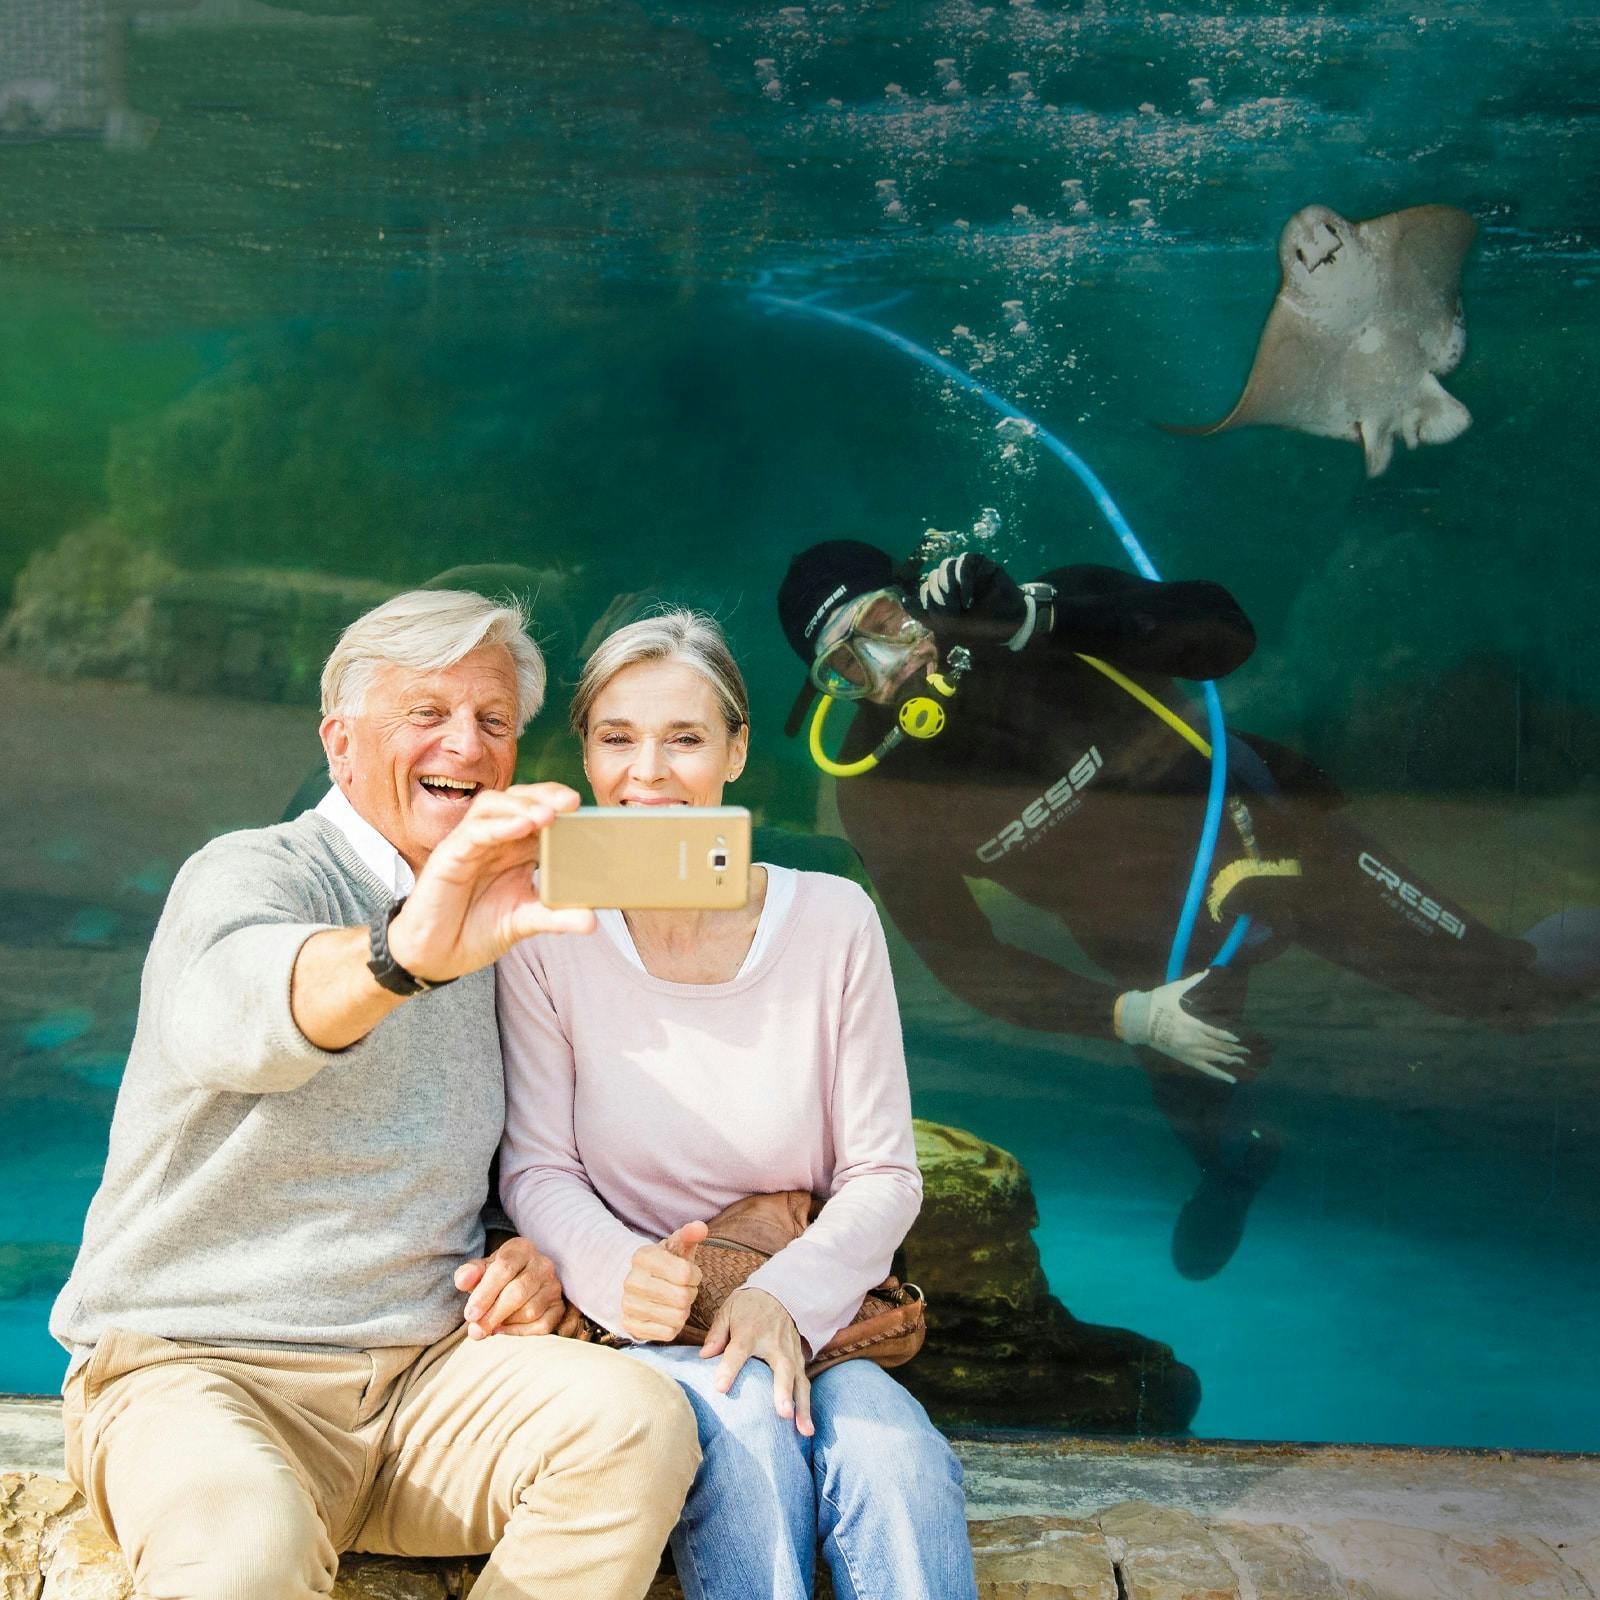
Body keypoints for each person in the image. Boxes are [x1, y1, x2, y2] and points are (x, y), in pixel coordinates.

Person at [50, 589, 700, 1600]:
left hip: (423, 1384)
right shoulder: (251, 872)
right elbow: (239, 1013)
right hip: (201, 1369)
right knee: (242, 1558)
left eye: (492, 721)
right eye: (428, 713)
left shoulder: (506, 914)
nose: (466, 743)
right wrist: (405, 952)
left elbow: (510, 1155)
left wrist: (525, 1257)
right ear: (341, 741)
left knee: (636, 1423)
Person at [776, 541, 1597, 1280]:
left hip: (1276, 846)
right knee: (1213, 1134)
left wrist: (1038, 619)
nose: (887, 671)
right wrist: (1128, 1016)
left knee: (1515, 995)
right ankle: (1235, 1170)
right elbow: (962, 955)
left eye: (883, 623)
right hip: (1152, 955)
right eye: (847, 668)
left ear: (917, 594)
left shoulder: (1039, 618)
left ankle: (1542, 963)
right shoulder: (878, 787)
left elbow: (1224, 634)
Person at [495, 610, 977, 1600]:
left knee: (897, 1461)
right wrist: (611, 1265)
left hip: (805, 1304)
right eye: (618, 737)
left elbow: (882, 1172)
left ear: (737, 750)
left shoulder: (833, 920)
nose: (649, 771)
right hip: (653, 1325)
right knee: (745, 1435)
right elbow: (537, 1166)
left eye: (685, 738)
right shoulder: (547, 929)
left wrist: (781, 1300)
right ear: (586, 752)